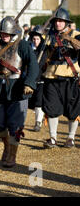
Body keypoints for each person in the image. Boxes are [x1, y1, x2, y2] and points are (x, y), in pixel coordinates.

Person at [0, 16, 38, 168]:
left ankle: (12, 154)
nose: (4, 36)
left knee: (15, 125)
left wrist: (29, 84)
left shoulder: (23, 45)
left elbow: (33, 65)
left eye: (7, 33)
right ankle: (6, 146)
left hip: (16, 88)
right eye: (2, 33)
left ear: (13, 32)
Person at [41, 8, 80, 149]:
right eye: (56, 21)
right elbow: (41, 56)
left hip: (71, 77)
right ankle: (53, 138)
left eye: (61, 21)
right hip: (51, 76)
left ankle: (70, 138)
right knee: (52, 108)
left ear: (66, 23)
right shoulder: (48, 36)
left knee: (73, 110)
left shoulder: (76, 34)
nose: (58, 23)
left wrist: (68, 38)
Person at [27, 25, 47, 132]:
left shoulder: (45, 50)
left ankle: (38, 122)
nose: (36, 41)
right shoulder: (29, 49)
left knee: (39, 102)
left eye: (38, 39)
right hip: (31, 79)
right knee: (30, 101)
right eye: (34, 39)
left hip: (42, 79)